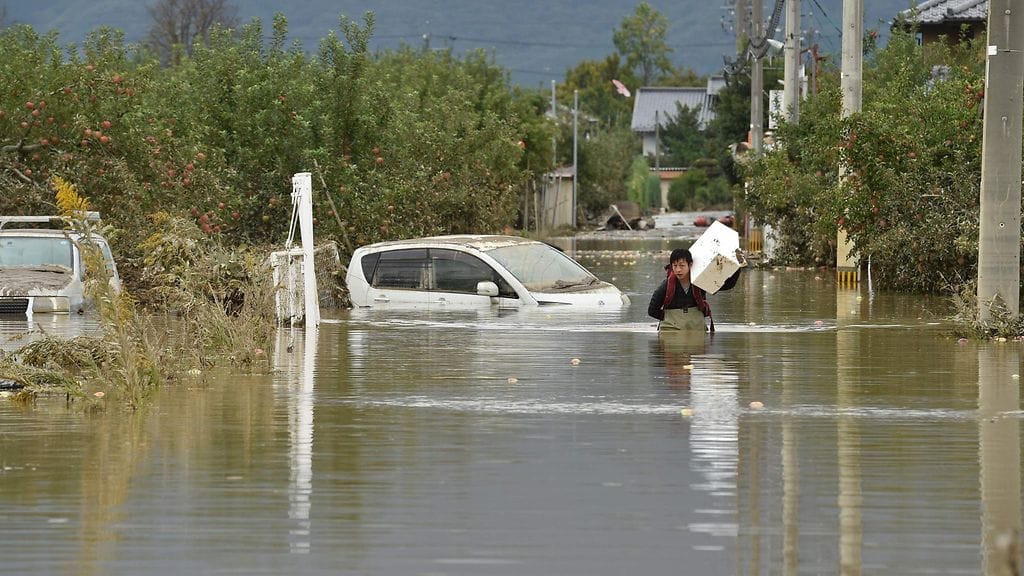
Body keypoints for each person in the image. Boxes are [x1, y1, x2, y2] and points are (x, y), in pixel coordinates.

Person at [648, 247, 747, 332]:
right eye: (675, 266)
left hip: (696, 328)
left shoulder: (701, 281)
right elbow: (652, 310)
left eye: (682, 266)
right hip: (671, 329)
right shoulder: (666, 285)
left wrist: (737, 267)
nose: (678, 270)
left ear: (690, 265)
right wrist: (670, 319)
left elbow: (727, 285)